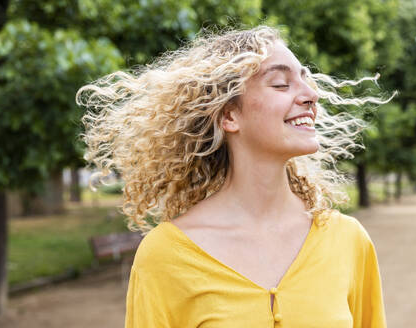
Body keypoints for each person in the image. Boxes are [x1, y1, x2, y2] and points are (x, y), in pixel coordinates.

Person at [77, 25, 389, 328]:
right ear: (229, 116)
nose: (311, 95)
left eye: (307, 80)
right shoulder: (165, 256)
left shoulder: (349, 240)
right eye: (281, 83)